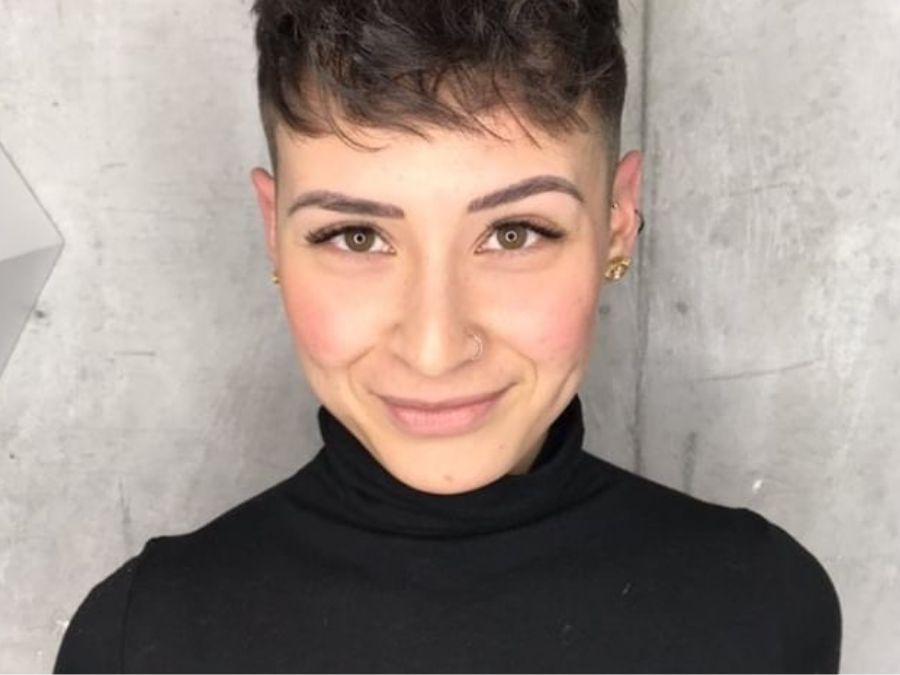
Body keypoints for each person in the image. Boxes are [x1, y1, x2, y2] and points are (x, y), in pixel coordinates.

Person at [54, 0, 842, 672]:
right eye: (356, 236)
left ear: (615, 222)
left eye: (515, 233)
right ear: (273, 232)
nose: (434, 348)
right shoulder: (134, 641)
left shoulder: (767, 612)